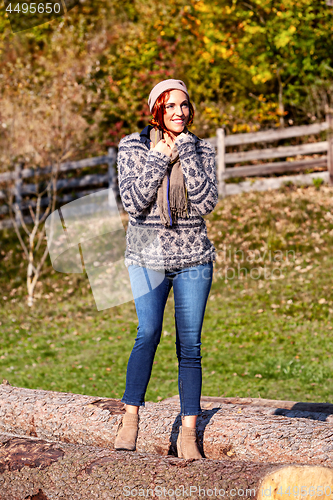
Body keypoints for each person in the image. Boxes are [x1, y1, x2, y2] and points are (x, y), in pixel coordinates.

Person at [114, 79, 218, 459]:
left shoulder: (202, 148)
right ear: (156, 108)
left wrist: (187, 154)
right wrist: (159, 157)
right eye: (171, 105)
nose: (179, 112)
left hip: (193, 258)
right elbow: (133, 202)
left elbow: (206, 202)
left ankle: (188, 433)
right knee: (148, 332)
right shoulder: (132, 146)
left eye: (185, 105)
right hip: (145, 256)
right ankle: (130, 420)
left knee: (189, 345)